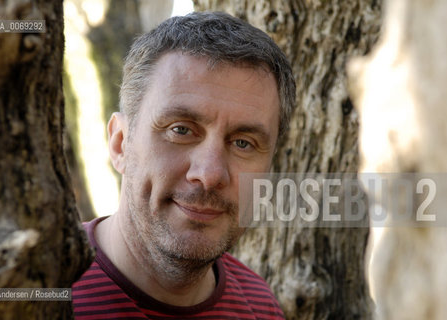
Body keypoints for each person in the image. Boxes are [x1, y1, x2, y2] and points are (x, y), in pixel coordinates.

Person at [72, 11, 295, 319]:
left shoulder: (259, 307)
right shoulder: (29, 290)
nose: (210, 174)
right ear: (120, 143)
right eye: (181, 130)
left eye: (243, 143)